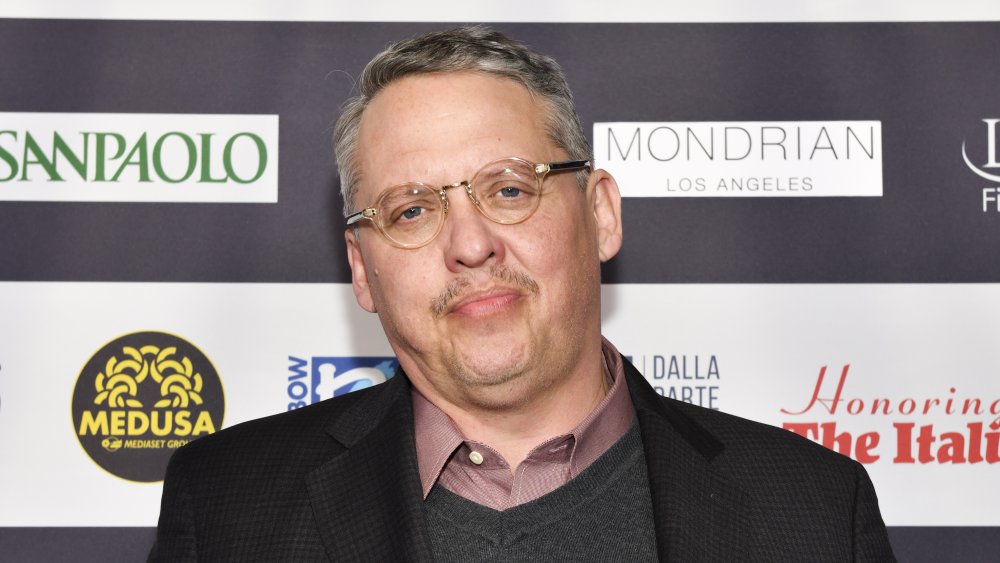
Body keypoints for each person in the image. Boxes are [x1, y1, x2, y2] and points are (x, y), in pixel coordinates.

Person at [150, 26, 895, 561]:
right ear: (362, 267)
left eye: (508, 188)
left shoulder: (812, 512)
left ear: (600, 213)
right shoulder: (226, 505)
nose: (470, 244)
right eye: (411, 209)